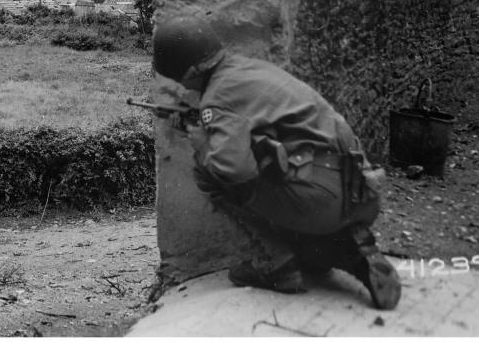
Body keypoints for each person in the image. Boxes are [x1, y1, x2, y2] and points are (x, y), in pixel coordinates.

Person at [152, 16, 401, 310]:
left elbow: (235, 169)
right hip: (360, 191)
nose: (181, 85)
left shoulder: (218, 97)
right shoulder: (249, 69)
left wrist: (204, 143)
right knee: (310, 250)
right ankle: (348, 250)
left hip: (321, 199)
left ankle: (277, 264)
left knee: (209, 172)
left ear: (193, 71)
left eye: (180, 78)